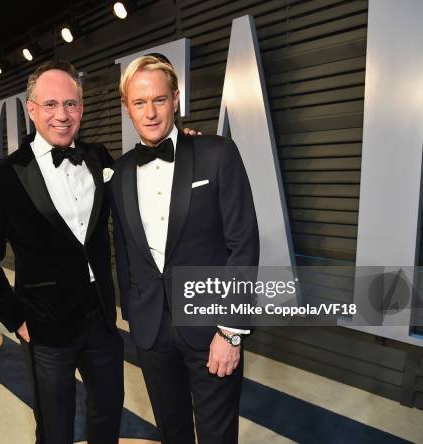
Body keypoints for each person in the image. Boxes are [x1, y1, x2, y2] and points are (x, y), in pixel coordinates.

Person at [0, 60, 123, 444]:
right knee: (54, 426)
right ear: (31, 109)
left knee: (108, 412)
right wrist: (15, 317)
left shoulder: (99, 158)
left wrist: (187, 146)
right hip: (44, 324)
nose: (62, 114)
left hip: (101, 316)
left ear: (82, 109)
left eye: (71, 104)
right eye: (50, 104)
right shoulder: (2, 176)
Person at [110, 55, 260, 444]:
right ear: (127, 108)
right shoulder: (121, 172)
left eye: (159, 99)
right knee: (171, 433)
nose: (151, 112)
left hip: (212, 328)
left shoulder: (217, 153)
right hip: (150, 331)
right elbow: (124, 250)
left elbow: (243, 244)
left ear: (176, 98)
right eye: (139, 103)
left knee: (217, 436)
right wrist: (133, 311)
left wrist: (230, 331)